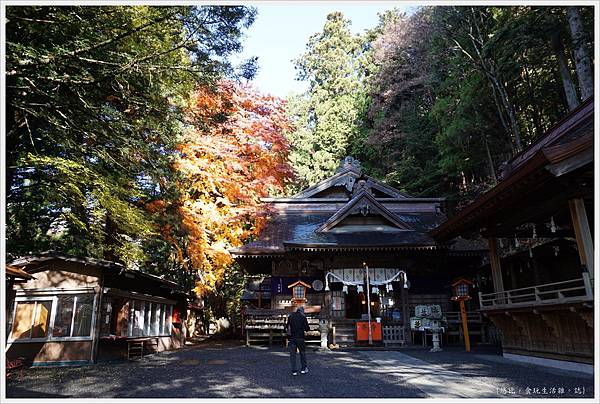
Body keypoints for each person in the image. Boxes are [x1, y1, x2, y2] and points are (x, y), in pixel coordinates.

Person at [286, 306, 310, 376]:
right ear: (302, 311)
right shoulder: (303, 317)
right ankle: (303, 369)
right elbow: (307, 328)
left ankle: (294, 371)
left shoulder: (291, 317)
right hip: (300, 338)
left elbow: (287, 326)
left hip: (292, 338)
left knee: (292, 355)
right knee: (302, 353)